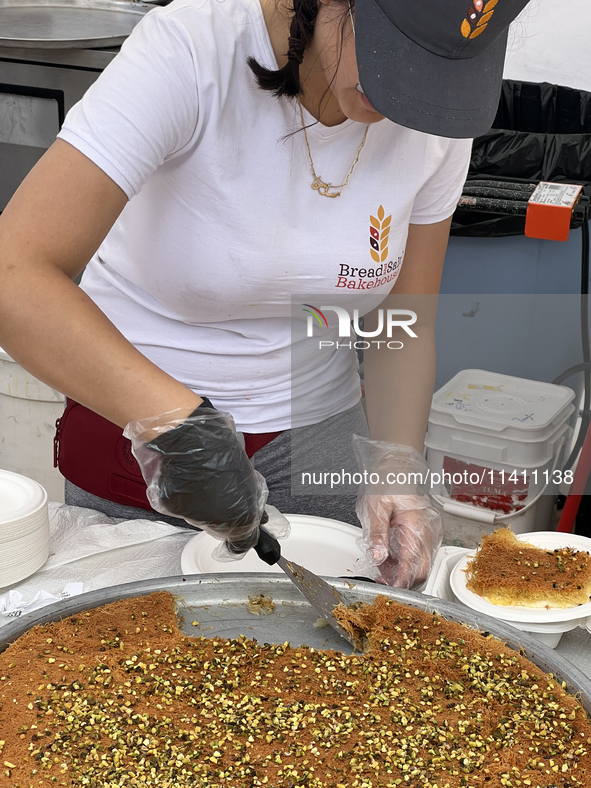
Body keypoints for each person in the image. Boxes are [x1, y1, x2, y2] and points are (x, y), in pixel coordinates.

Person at [0, 0, 532, 587]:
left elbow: (404, 322)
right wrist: (176, 426)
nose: (411, 97)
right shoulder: (190, 52)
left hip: (317, 436)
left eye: (439, 72)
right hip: (142, 435)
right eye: (397, 57)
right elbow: (15, 272)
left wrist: (396, 467)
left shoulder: (431, 116)